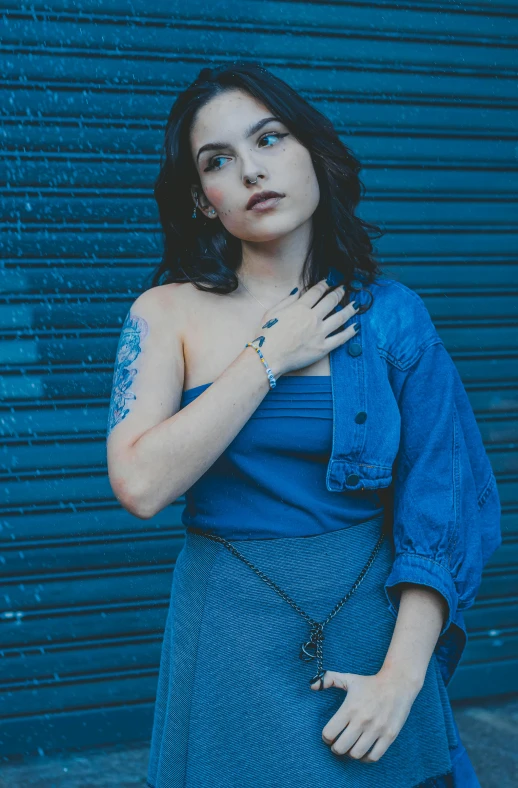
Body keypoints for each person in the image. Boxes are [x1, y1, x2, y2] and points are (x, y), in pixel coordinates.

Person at [106, 62, 501, 788]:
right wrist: (269, 357)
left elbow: (440, 515)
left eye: (270, 138)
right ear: (202, 199)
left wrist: (400, 680)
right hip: (229, 635)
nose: (251, 170)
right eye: (218, 160)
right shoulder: (163, 313)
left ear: (312, 152)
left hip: (370, 634)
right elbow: (138, 483)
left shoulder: (393, 318)